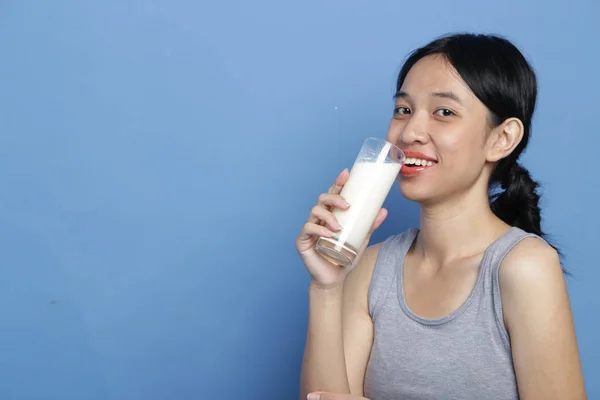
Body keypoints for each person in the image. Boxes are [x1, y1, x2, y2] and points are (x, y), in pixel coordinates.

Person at [295, 33, 587, 400]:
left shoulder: (524, 266)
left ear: (502, 138)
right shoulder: (371, 268)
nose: (410, 132)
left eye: (443, 112)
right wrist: (326, 287)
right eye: (403, 110)